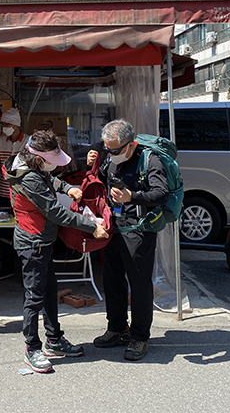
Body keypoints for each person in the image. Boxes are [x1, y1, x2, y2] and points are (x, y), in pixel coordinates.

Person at [4, 129, 109, 373]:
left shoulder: (30, 164)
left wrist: (66, 187)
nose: (55, 165)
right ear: (39, 158)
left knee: (49, 292)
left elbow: (49, 180)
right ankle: (32, 348)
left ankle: (54, 339)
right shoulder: (28, 177)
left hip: (42, 242)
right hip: (33, 244)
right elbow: (55, 212)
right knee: (34, 298)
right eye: (52, 161)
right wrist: (91, 226)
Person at [86, 119, 168, 362]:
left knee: (140, 284)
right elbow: (105, 179)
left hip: (139, 231)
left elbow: (161, 193)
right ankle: (116, 327)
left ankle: (140, 336)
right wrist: (94, 163)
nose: (109, 153)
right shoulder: (112, 158)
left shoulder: (150, 160)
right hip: (114, 230)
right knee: (112, 281)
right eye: (106, 149)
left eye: (114, 149)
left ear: (130, 145)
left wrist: (132, 196)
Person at [0, 107, 27, 280]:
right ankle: (7, 267)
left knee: (23, 232)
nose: (4, 127)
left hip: (23, 194)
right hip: (4, 193)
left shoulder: (28, 143)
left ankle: (24, 270)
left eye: (7, 124)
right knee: (5, 234)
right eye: (3, 124)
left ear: (15, 125)